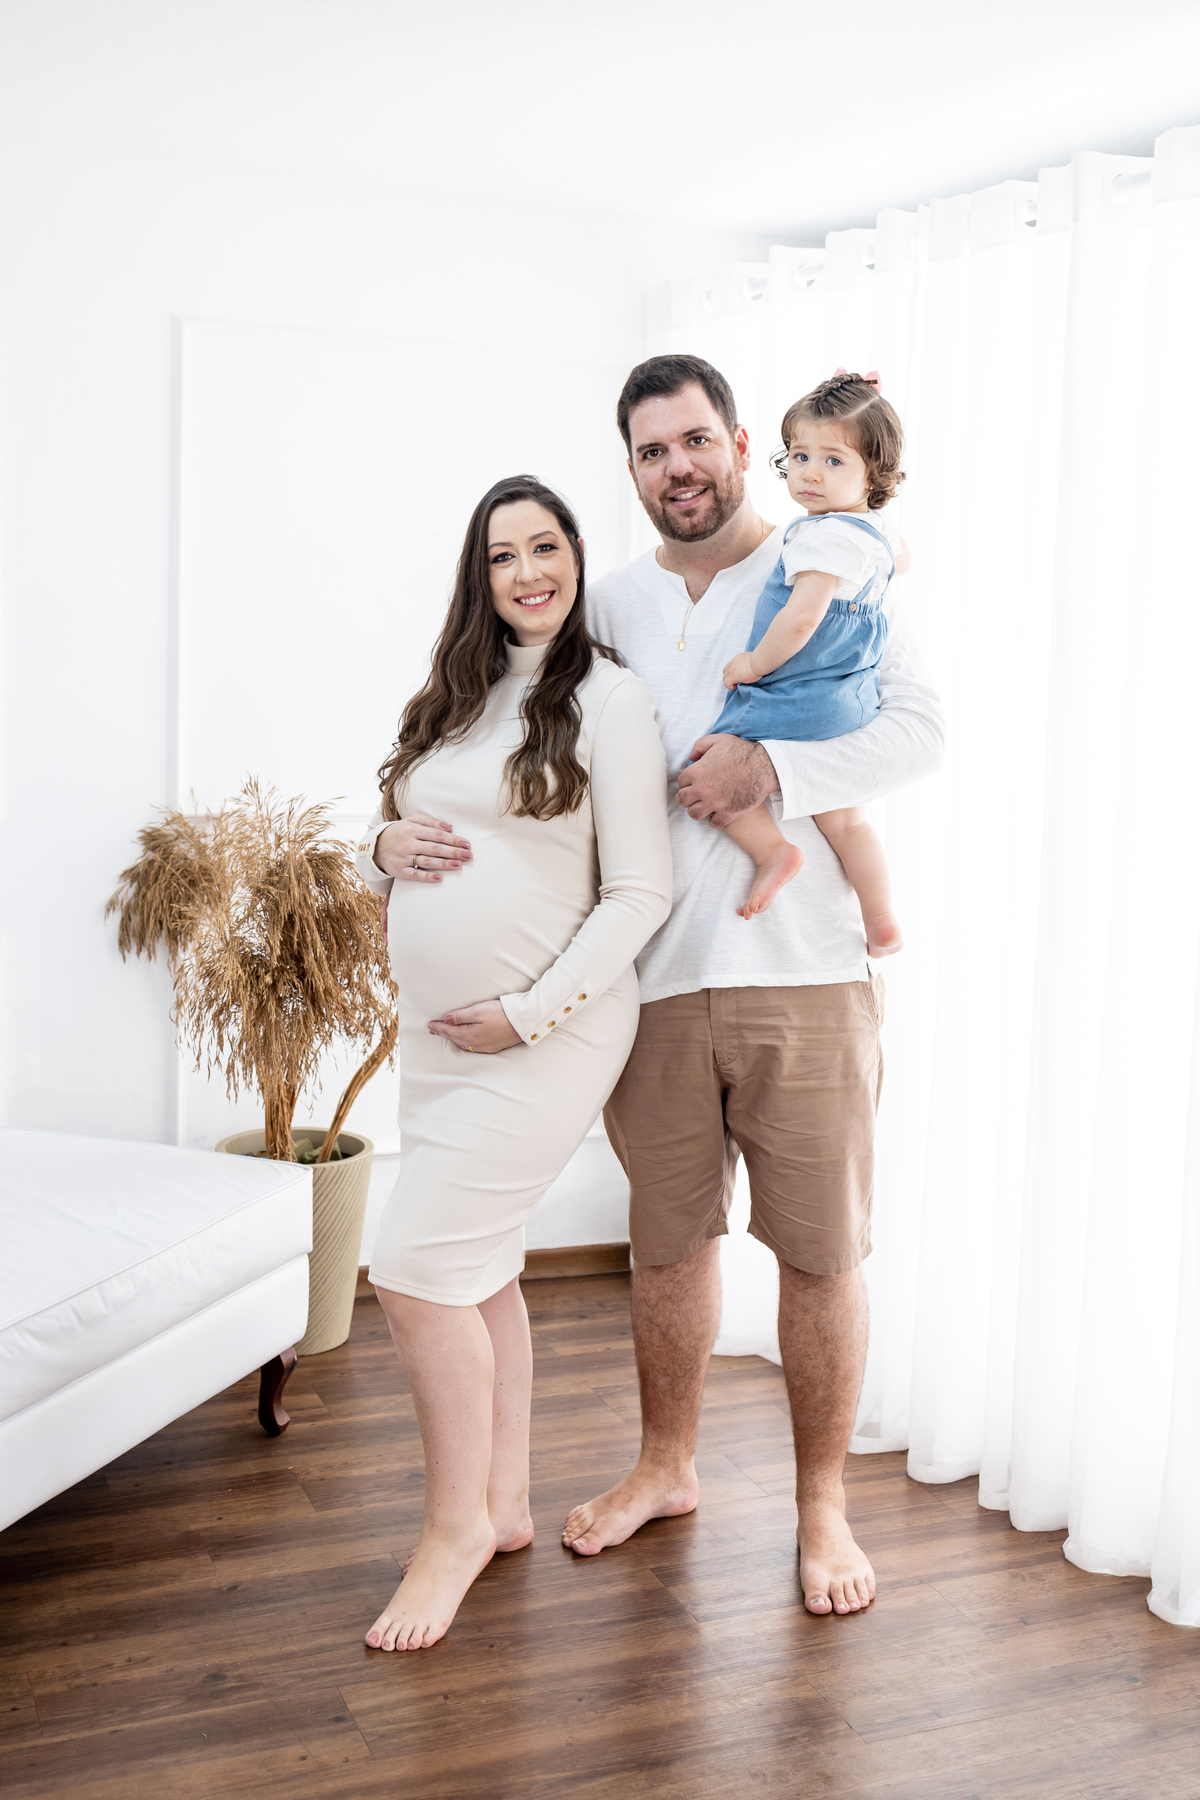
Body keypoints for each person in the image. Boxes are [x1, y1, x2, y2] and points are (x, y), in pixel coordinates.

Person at [561, 354, 944, 1617]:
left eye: (695, 440)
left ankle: (822, 1505)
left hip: (808, 974)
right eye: (650, 451)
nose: (677, 467)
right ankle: (664, 1468)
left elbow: (920, 729)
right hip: (655, 983)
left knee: (822, 1259)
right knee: (667, 1252)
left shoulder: (828, 558)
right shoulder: (605, 606)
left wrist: (771, 772)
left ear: (739, 445)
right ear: (632, 470)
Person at [353, 474, 672, 1651]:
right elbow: (401, 828)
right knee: (478, 1267)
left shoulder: (609, 699)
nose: (528, 572)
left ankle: (451, 1536)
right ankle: (499, 1505)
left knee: (412, 1271)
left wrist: (530, 1014)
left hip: (548, 1036)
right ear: (478, 578)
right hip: (442, 1045)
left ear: (577, 557)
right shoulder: (460, 695)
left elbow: (640, 892)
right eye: (503, 556)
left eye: (546, 547)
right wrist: (381, 843)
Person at [711, 371, 910, 953]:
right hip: (851, 698)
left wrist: (752, 664)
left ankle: (774, 852)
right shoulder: (874, 533)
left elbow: (800, 620)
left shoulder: (822, 539)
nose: (811, 473)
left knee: (704, 770)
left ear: (874, 473)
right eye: (800, 456)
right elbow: (903, 561)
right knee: (847, 820)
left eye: (833, 460)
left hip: (800, 693)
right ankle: (881, 918)